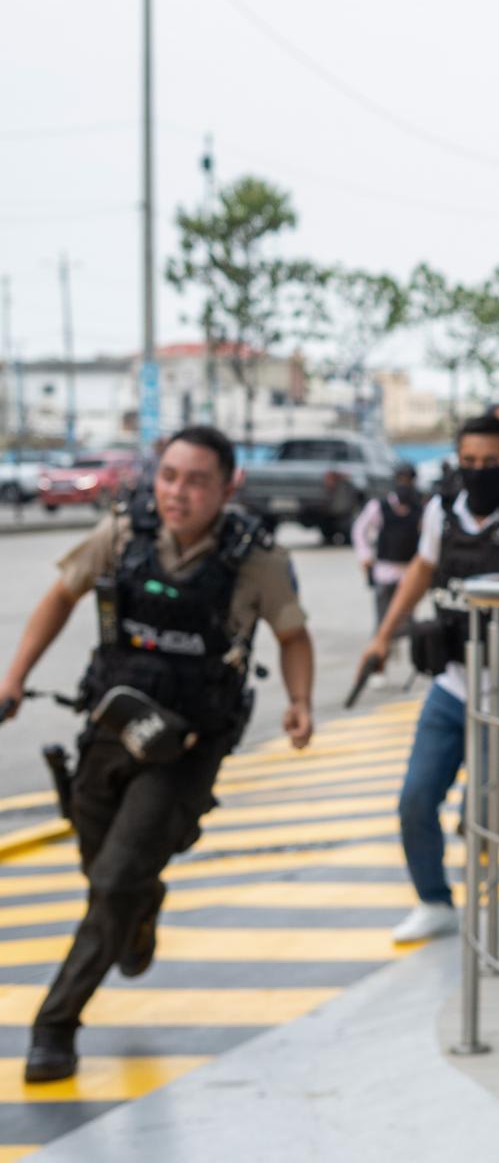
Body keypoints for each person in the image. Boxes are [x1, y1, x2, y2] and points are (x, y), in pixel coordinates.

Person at [0, 426, 315, 1083]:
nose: (178, 492)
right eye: (169, 475)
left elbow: (292, 634)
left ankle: (55, 1026)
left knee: (114, 878)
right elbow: (60, 596)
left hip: (188, 747)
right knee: (104, 869)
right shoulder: (120, 535)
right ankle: (141, 911)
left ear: (230, 486)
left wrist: (300, 700)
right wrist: (14, 676)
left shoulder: (255, 560)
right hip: (110, 731)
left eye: (197, 480)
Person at [361, 414, 499, 944]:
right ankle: (434, 901)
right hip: (456, 683)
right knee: (415, 799)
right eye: (469, 462)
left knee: (482, 814)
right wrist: (382, 636)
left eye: (490, 463)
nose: (478, 472)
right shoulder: (444, 508)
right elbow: (422, 567)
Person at [351, 463, 424, 678]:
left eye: (408, 480)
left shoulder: (420, 508)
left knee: (408, 622)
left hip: (409, 573)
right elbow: (359, 531)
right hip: (384, 572)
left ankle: (414, 665)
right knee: (382, 621)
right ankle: (378, 669)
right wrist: (365, 558)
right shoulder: (379, 507)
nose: (404, 485)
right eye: (400, 480)